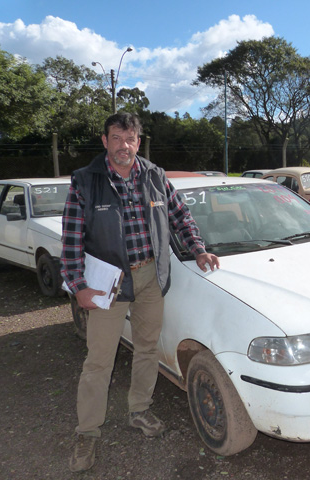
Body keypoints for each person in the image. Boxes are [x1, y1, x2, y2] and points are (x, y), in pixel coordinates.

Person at [61, 113, 219, 473]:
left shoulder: (154, 175)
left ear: (138, 141)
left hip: (150, 277)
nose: (124, 146)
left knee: (147, 348)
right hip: (108, 283)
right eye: (117, 138)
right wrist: (78, 285)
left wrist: (198, 249)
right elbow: (70, 240)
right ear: (105, 141)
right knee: (99, 360)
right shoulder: (86, 182)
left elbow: (181, 217)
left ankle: (139, 411)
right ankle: (87, 432)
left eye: (130, 138)